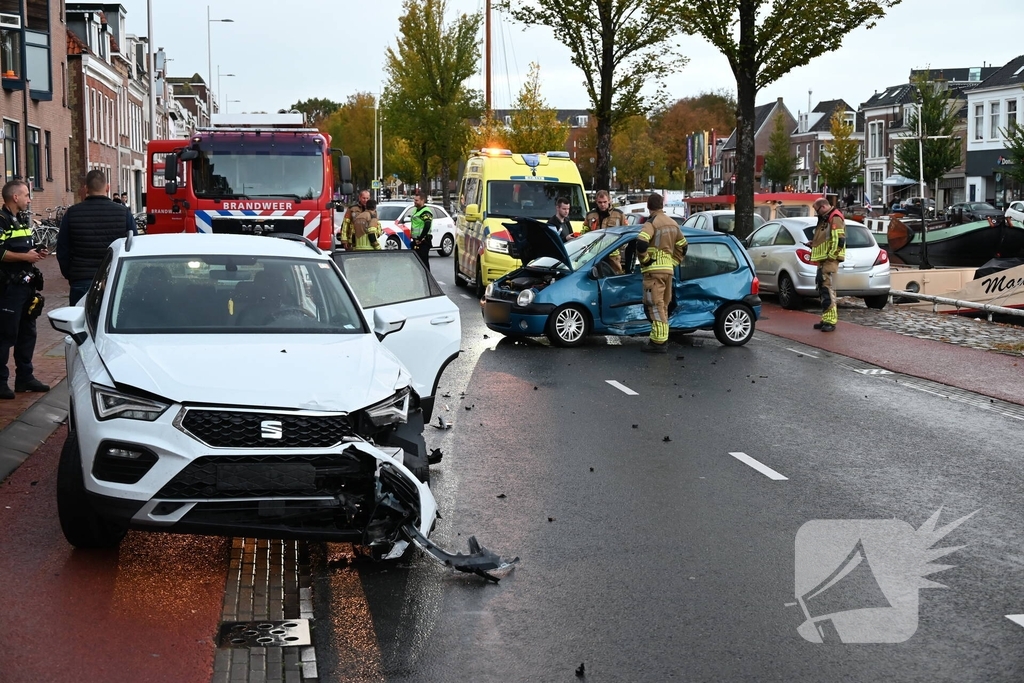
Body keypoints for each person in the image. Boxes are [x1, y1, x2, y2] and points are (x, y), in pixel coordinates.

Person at [56, 170, 137, 306]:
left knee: (79, 323)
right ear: (107, 187)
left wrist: (71, 275)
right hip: (114, 277)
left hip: (82, 279)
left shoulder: (72, 213)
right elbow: (133, 244)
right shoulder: (123, 213)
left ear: (86, 188)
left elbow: (63, 249)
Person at [0, 179, 50, 398]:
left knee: (27, 332)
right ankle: (1, 382)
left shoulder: (20, 220)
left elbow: (22, 247)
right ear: (15, 197)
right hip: (8, 289)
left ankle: (25, 377)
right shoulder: (1, 221)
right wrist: (25, 256)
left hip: (25, 287)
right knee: (5, 335)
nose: (30, 199)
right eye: (27, 195)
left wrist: (36, 252)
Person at [636, 193, 687, 353]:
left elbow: (641, 242)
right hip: (668, 271)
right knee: (663, 306)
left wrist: (645, 260)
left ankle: (659, 342)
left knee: (655, 306)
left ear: (648, 206)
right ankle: (657, 338)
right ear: (662, 206)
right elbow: (683, 246)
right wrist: (673, 261)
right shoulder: (673, 223)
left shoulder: (651, 223)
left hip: (653, 272)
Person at [808, 197, 846, 332]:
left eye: (817, 210)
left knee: (828, 289)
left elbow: (839, 239)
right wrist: (814, 244)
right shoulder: (826, 218)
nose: (816, 213)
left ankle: (830, 321)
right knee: (823, 288)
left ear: (823, 207)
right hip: (824, 260)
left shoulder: (834, 218)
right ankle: (826, 318)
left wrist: (831, 256)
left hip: (829, 261)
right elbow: (827, 238)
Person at [583, 190, 626, 272]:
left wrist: (620, 247)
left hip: (613, 254)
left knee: (614, 278)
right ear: (596, 201)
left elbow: (625, 231)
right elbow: (585, 233)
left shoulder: (619, 214)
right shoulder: (590, 215)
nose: (602, 205)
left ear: (609, 200)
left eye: (605, 202)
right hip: (594, 255)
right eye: (600, 202)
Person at [409, 190, 433, 267]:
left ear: (422, 200)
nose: (414, 202)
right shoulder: (415, 210)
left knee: (423, 264)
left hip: (423, 241)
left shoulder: (425, 212)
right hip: (416, 241)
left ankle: (426, 279)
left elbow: (427, 225)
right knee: (417, 264)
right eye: (414, 200)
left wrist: (420, 238)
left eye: (416, 200)